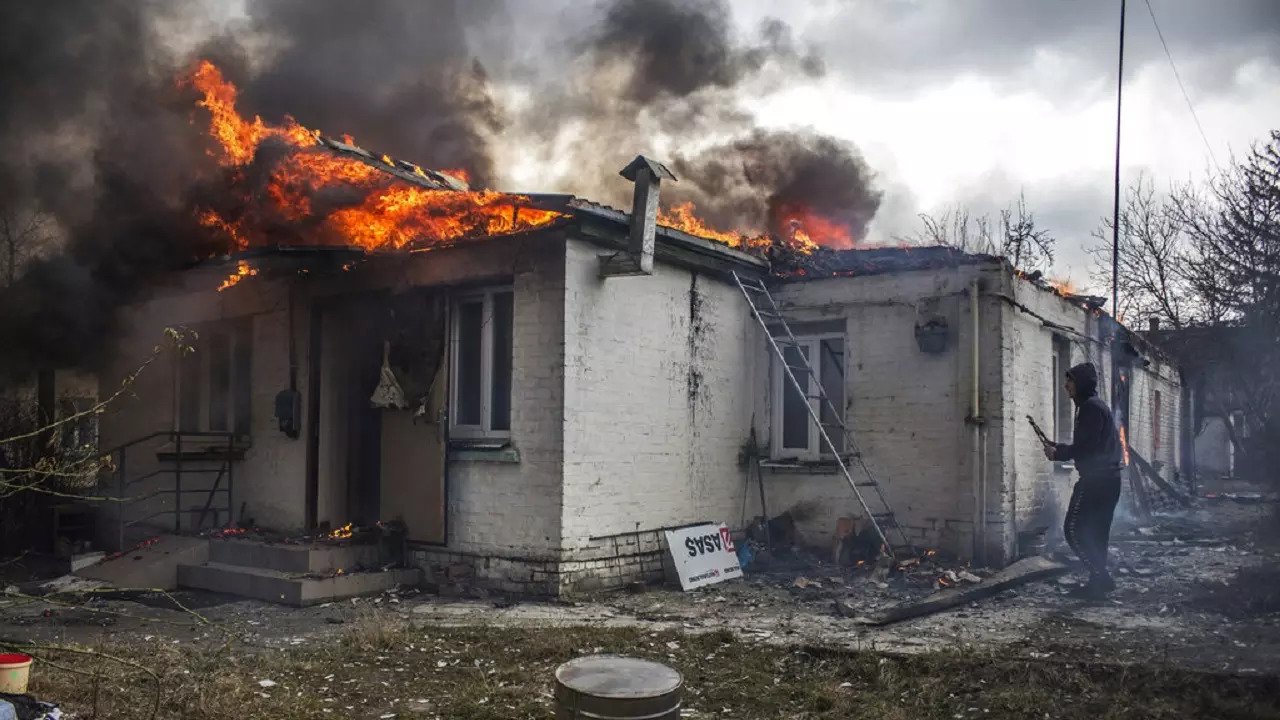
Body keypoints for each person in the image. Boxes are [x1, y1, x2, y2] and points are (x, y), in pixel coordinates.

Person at [1041, 362, 1124, 599]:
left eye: (1070, 381)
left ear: (1081, 384)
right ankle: (1096, 585)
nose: (1065, 385)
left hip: (1096, 481)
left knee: (1074, 531)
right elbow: (1090, 444)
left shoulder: (1089, 408)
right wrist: (1061, 448)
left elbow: (1086, 447)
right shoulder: (1093, 407)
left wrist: (1059, 454)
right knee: (1097, 533)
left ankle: (1101, 577)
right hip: (1108, 480)